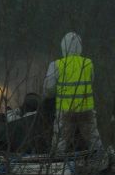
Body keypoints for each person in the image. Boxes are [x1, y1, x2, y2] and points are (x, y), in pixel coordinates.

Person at [43, 32, 105, 161]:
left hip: (65, 112)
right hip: (86, 111)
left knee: (59, 142)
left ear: (63, 47)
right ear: (80, 47)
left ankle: (56, 165)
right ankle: (101, 161)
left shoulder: (57, 65)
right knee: (94, 140)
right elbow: (91, 81)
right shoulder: (88, 63)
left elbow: (48, 89)